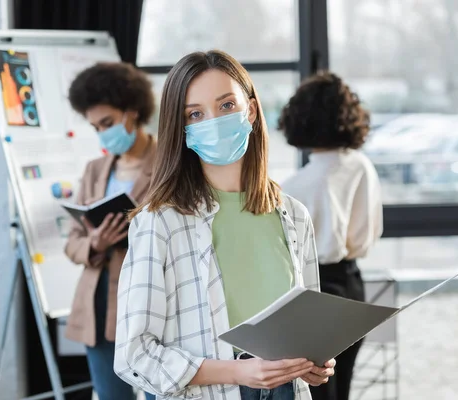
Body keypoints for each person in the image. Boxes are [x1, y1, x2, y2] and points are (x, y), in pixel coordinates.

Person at [113, 50, 336, 400]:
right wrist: (241, 373)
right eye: (195, 114)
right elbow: (134, 356)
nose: (213, 122)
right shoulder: (160, 223)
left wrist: (314, 362)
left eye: (226, 106)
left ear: (250, 109)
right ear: (182, 129)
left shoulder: (293, 215)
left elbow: (305, 329)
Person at [279, 71, 383, 400]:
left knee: (318, 390)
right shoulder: (362, 165)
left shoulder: (297, 185)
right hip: (354, 282)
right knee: (343, 386)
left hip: (318, 288)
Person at [64, 62, 157, 400]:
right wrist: (95, 242)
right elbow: (72, 244)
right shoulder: (94, 170)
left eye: (107, 123)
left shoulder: (170, 163)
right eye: (95, 127)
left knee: (162, 392)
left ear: (132, 111)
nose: (103, 134)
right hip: (100, 300)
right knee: (110, 395)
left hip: (151, 298)